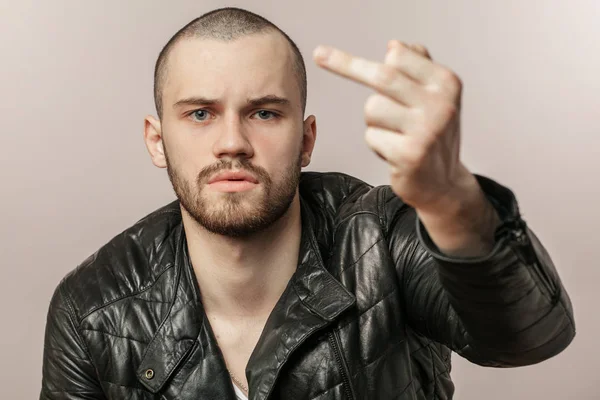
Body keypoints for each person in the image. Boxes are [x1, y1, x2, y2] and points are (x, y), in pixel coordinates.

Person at [39, 7, 575, 400]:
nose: (233, 142)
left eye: (265, 113)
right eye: (200, 113)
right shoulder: (90, 307)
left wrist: (452, 199)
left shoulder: (381, 237)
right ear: (157, 140)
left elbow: (530, 338)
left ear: (307, 139)